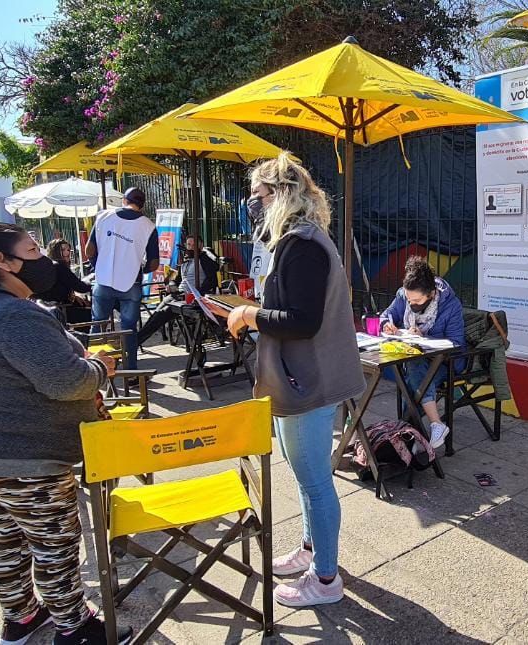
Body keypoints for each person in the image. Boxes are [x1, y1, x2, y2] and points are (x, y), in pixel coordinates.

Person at [0, 223, 132, 645]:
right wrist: (99, 368)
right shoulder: (13, 313)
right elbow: (66, 382)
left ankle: (21, 617)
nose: (44, 259)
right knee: (55, 544)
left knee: (10, 539)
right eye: (32, 249)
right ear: (1, 261)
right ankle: (75, 628)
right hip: (27, 459)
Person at [205, 153, 365, 608]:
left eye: (256, 195)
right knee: (306, 478)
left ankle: (327, 580)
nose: (251, 204)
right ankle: (314, 551)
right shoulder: (298, 242)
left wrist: (251, 314)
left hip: (305, 382)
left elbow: (302, 321)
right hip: (299, 378)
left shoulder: (302, 245)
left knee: (315, 483)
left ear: (280, 195)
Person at [377, 255, 465, 449]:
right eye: (409, 300)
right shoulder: (403, 296)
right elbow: (387, 315)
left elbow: (456, 344)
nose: (412, 304)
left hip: (445, 363)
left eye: (417, 300)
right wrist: (387, 325)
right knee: (415, 370)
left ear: (431, 294)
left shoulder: (451, 306)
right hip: (417, 360)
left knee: (413, 381)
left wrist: (425, 340)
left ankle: (407, 437)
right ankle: (432, 426)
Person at [85, 187, 159, 370]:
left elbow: (89, 250)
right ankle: (131, 372)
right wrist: (138, 268)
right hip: (131, 284)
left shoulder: (103, 216)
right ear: (142, 205)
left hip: (103, 280)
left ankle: (96, 370)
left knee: (98, 326)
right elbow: (154, 264)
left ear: (124, 201)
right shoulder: (148, 226)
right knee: (128, 330)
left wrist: (98, 265)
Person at [137, 235, 219, 346]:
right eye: (189, 244)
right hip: (177, 294)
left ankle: (135, 342)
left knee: (160, 316)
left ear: (200, 246)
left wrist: (197, 292)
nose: (190, 247)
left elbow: (212, 281)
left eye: (193, 245)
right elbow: (174, 278)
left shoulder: (204, 260)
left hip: (190, 298)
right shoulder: (185, 261)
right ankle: (136, 340)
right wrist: (171, 284)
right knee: (155, 314)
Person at [35, 238, 93, 325]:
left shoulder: (50, 265)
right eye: (63, 250)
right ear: (55, 251)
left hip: (54, 308)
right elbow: (81, 287)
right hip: (61, 310)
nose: (67, 253)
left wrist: (74, 296)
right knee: (94, 314)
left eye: (68, 250)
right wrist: (93, 283)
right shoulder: (59, 267)